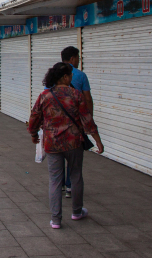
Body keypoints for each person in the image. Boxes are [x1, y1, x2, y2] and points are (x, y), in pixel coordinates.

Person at [28, 62, 104, 229]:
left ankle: (56, 220)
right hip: (74, 142)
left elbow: (34, 117)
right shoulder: (76, 95)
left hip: (52, 143)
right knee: (76, 176)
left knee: (55, 180)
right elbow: (87, 119)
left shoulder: (45, 96)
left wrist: (34, 134)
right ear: (64, 77)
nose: (71, 77)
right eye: (70, 75)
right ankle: (77, 212)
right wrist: (97, 140)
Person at [60, 45, 92, 198]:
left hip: (56, 124)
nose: (78, 61)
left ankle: (58, 184)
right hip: (75, 123)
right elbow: (87, 98)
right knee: (73, 156)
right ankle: (70, 186)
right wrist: (89, 118)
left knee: (58, 154)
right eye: (78, 58)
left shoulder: (54, 74)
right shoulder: (80, 75)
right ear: (72, 58)